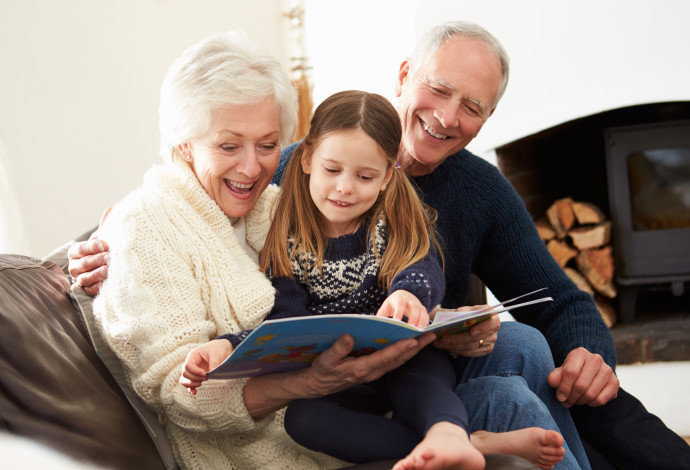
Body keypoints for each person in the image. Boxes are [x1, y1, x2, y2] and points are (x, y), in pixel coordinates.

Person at [69, 21, 690, 470]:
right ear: (404, 77)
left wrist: (590, 350)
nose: (447, 117)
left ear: (488, 119)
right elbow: (193, 197)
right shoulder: (297, 173)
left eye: (472, 107)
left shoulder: (479, 190)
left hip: (420, 359)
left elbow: (558, 297)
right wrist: (100, 242)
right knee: (517, 373)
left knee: (540, 348)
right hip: (343, 381)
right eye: (439, 90)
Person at [179, 90, 568, 470]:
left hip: (406, 359)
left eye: (365, 176)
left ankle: (447, 434)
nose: (345, 187)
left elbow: (423, 268)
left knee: (423, 380)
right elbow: (284, 324)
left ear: (386, 177)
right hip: (342, 379)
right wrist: (227, 347)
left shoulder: (391, 221)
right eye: (333, 170)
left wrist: (408, 293)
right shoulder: (285, 237)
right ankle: (470, 444)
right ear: (307, 158)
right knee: (303, 420)